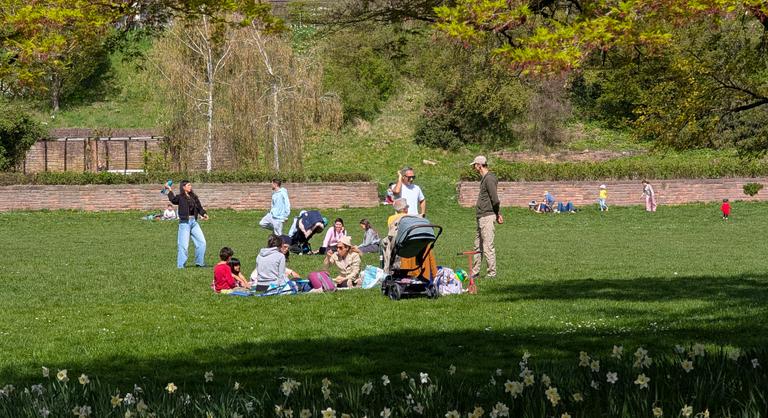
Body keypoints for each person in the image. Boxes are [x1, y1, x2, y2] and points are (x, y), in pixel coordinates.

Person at [470, 156, 503, 280]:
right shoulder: (484, 179)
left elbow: (495, 199)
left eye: (475, 165)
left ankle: (491, 273)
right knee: (477, 246)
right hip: (480, 216)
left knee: (488, 245)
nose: (474, 167)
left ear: (480, 165)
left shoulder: (489, 179)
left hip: (487, 216)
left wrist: (498, 213)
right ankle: (475, 272)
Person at [166, 180, 208, 268]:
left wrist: (204, 214)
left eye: (190, 185)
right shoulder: (180, 197)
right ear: (183, 187)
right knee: (184, 245)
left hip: (194, 222)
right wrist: (169, 189)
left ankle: (200, 263)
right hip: (184, 223)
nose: (190, 187)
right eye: (188, 185)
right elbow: (173, 200)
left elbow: (199, 207)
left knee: (202, 242)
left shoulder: (194, 197)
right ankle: (181, 265)